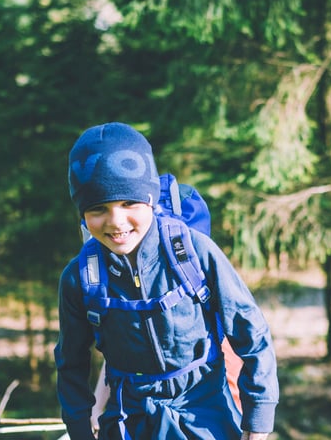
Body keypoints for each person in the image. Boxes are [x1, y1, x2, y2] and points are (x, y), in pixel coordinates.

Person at [55, 122, 278, 440]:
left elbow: (251, 332)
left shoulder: (193, 251)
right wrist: (79, 429)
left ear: (150, 199)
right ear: (82, 214)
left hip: (206, 413)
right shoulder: (80, 277)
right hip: (129, 419)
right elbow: (70, 362)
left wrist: (258, 421)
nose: (116, 221)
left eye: (129, 203)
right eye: (98, 209)